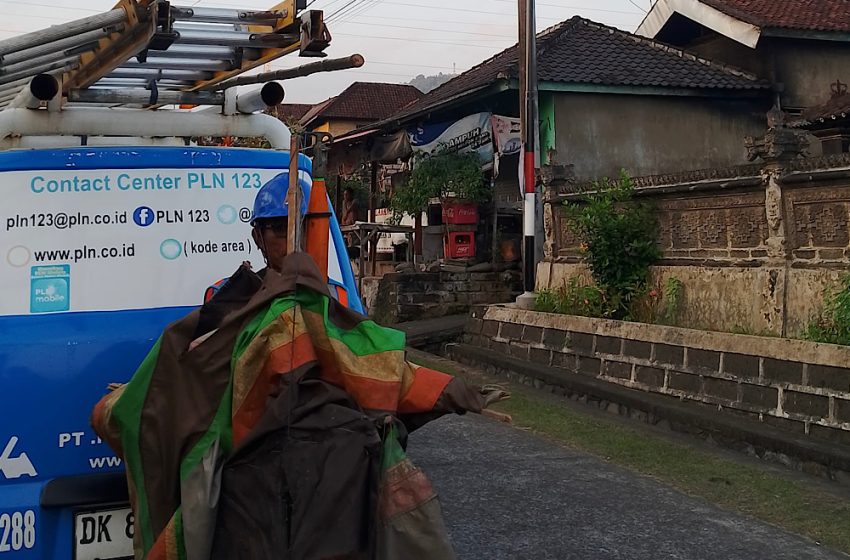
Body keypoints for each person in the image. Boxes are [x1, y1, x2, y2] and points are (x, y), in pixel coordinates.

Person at [93, 173, 508, 560]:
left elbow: (375, 364)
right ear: (257, 235)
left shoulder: (336, 304)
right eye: (275, 227)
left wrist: (452, 391)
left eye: (298, 225)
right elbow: (195, 372)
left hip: (333, 479)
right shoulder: (230, 300)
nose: (285, 238)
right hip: (250, 481)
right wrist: (144, 393)